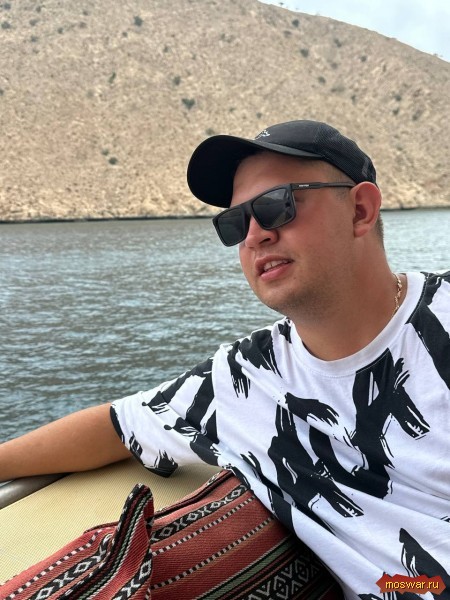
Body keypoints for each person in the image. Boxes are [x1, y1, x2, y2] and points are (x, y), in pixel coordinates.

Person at [1, 120, 449, 599]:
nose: (254, 236)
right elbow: (115, 425)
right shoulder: (244, 378)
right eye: (235, 223)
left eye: (277, 205)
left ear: (360, 210)